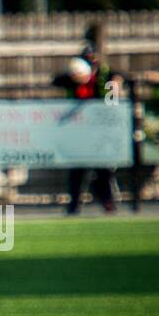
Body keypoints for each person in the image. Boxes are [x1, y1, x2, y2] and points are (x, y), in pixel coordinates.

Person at [51, 45, 123, 214]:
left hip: (99, 131)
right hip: (79, 132)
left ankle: (107, 203)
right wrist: (74, 78)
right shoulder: (71, 78)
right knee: (77, 171)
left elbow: (114, 91)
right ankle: (74, 206)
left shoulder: (104, 76)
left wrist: (116, 84)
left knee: (102, 170)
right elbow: (56, 80)